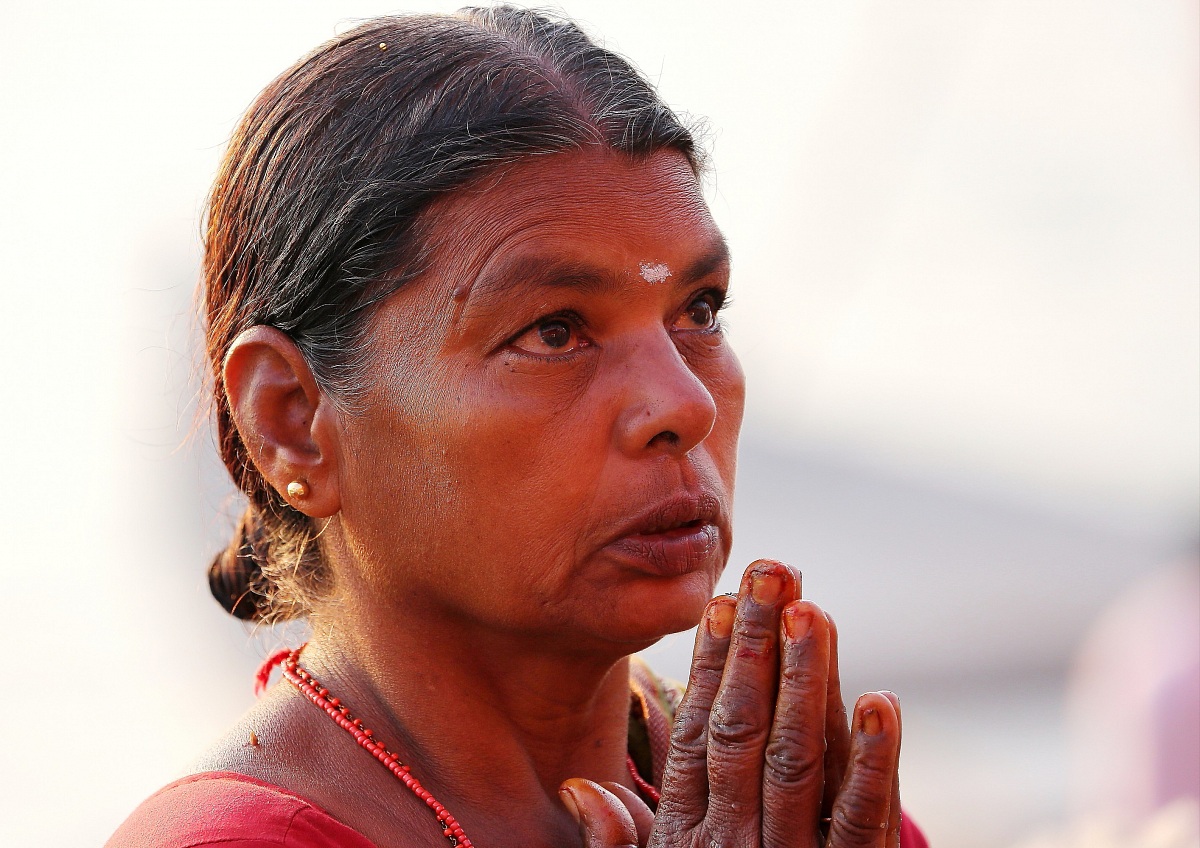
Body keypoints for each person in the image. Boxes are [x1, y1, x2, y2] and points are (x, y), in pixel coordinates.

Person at [108, 8, 926, 847]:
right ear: (292, 421)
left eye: (698, 311)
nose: (685, 404)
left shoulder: (792, 817)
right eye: (555, 331)